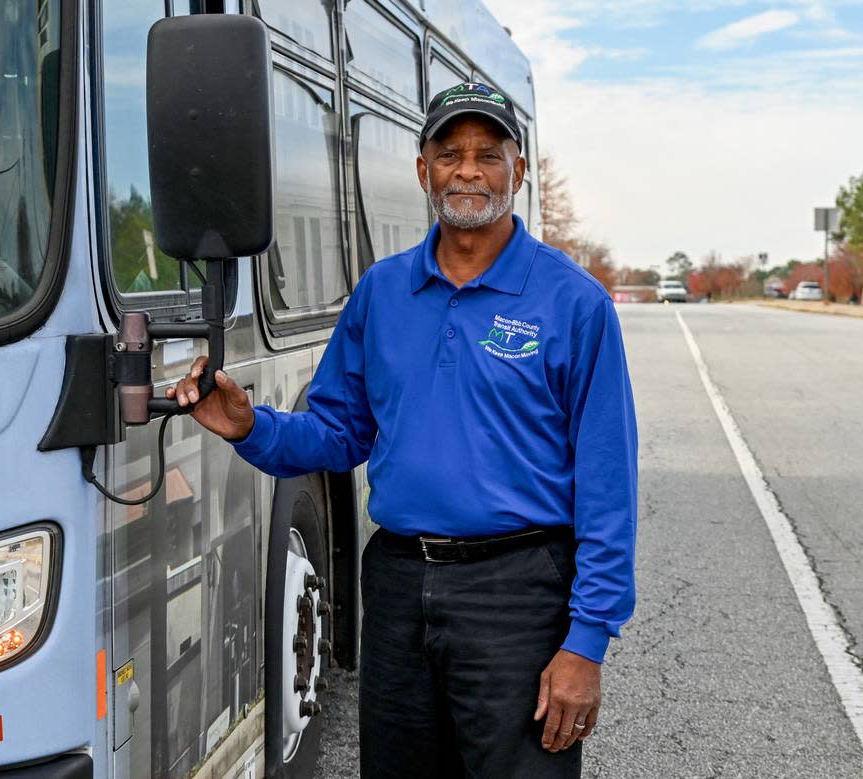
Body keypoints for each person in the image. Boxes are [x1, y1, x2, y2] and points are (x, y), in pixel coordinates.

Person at [168, 82, 637, 778]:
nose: (469, 171)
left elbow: (608, 488)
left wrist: (586, 642)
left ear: (520, 169)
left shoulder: (574, 304)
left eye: (489, 154)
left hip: (519, 593)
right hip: (397, 586)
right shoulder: (382, 293)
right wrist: (249, 426)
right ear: (424, 170)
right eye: (450, 154)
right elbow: (338, 433)